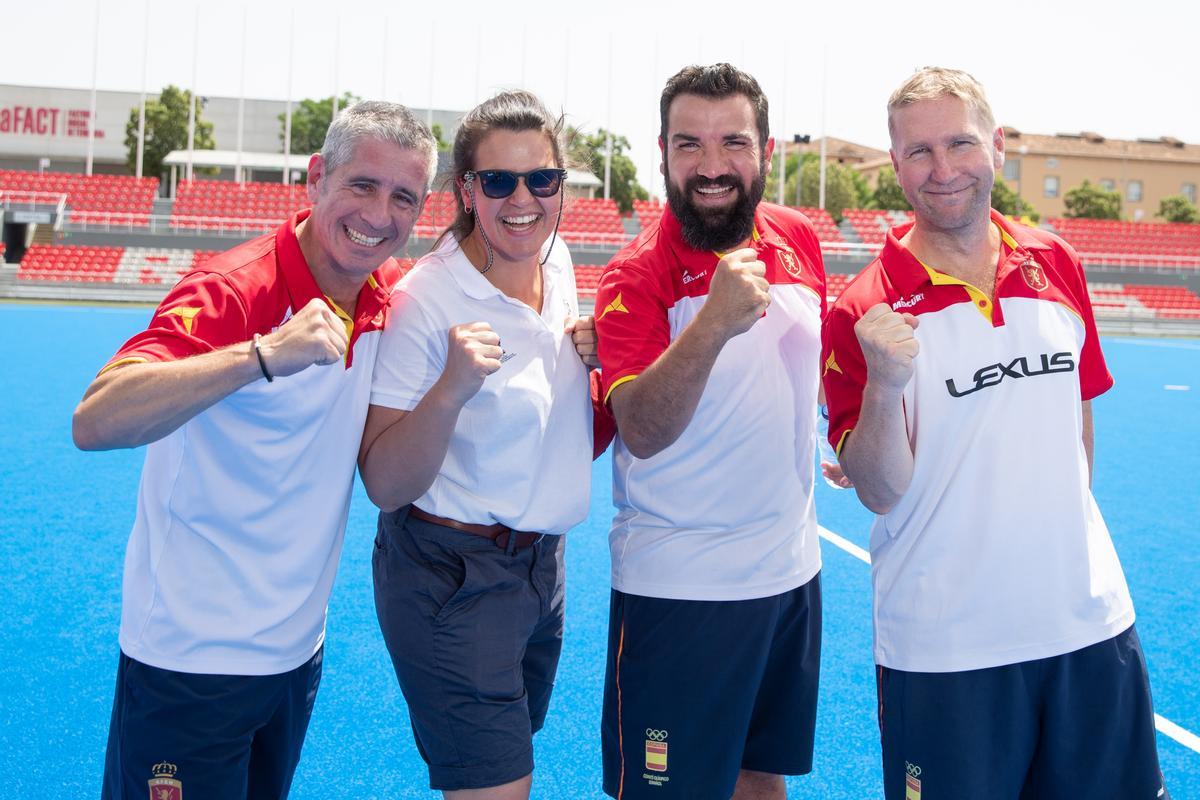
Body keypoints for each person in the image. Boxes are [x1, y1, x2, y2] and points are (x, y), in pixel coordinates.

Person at [72, 101, 437, 799]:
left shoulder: (387, 295)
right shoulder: (234, 288)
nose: (379, 214)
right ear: (315, 178)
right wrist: (261, 356)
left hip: (295, 657)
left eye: (403, 198)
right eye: (361, 185)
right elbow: (96, 419)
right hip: (189, 661)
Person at [822, 67, 1169, 800]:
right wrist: (884, 383)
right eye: (919, 152)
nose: (942, 169)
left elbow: (1078, 436)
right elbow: (879, 491)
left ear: (998, 146)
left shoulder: (1055, 262)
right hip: (947, 648)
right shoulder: (861, 308)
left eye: (960, 143)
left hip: (1090, 627)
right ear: (894, 165)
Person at [357, 90, 603, 800]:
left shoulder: (555, 267)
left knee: (503, 770)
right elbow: (383, 481)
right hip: (451, 573)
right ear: (466, 190)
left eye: (542, 179)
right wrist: (450, 389)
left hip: (539, 571)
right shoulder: (426, 302)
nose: (522, 198)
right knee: (498, 788)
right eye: (498, 180)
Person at [593, 63, 827, 800]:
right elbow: (641, 426)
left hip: (790, 574)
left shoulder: (796, 238)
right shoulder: (635, 275)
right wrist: (715, 324)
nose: (713, 166)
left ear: (764, 151)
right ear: (661, 152)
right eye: (689, 144)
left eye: (734, 142)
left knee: (761, 781)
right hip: (681, 590)